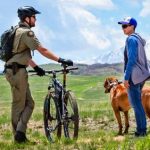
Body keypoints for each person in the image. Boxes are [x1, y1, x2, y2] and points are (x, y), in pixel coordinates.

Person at [5, 6, 73, 143]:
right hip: (16, 71)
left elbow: (21, 54)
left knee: (29, 104)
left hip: (15, 70)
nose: (36, 19)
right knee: (19, 104)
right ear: (27, 18)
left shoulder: (17, 31)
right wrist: (60, 59)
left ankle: (19, 133)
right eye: (34, 17)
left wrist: (36, 68)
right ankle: (18, 137)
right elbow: (42, 49)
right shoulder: (26, 33)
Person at [118, 17, 150, 137]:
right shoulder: (138, 39)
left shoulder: (131, 39)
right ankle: (142, 129)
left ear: (132, 26)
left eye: (125, 26)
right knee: (138, 104)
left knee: (136, 105)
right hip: (141, 76)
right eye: (122, 26)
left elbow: (131, 60)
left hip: (133, 77)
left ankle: (141, 132)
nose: (123, 29)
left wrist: (126, 78)